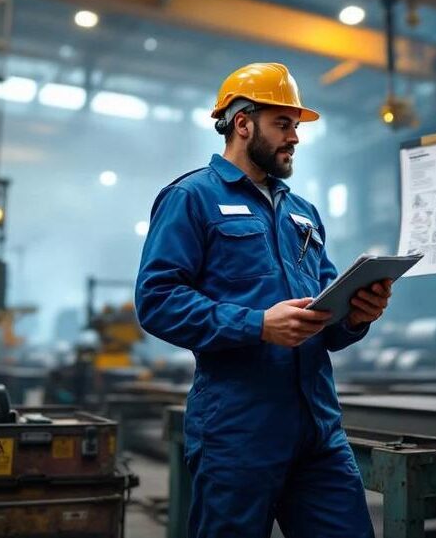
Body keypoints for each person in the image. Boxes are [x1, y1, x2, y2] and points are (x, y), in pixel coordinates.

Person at [136, 62, 391, 537]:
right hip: (237, 430)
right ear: (243, 123)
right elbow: (156, 299)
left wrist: (357, 316)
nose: (294, 137)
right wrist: (257, 324)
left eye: (296, 126)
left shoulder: (303, 212)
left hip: (318, 429)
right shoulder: (191, 198)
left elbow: (329, 320)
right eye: (283, 124)